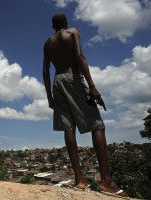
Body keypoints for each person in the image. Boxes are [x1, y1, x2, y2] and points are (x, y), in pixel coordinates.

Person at [43, 13, 127, 198]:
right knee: (97, 124)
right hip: (73, 78)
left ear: (52, 26)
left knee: (68, 127)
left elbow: (44, 70)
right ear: (65, 23)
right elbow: (80, 56)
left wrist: (49, 97)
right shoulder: (72, 32)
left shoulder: (48, 43)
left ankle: (80, 180)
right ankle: (105, 181)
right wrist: (92, 86)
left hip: (57, 81)